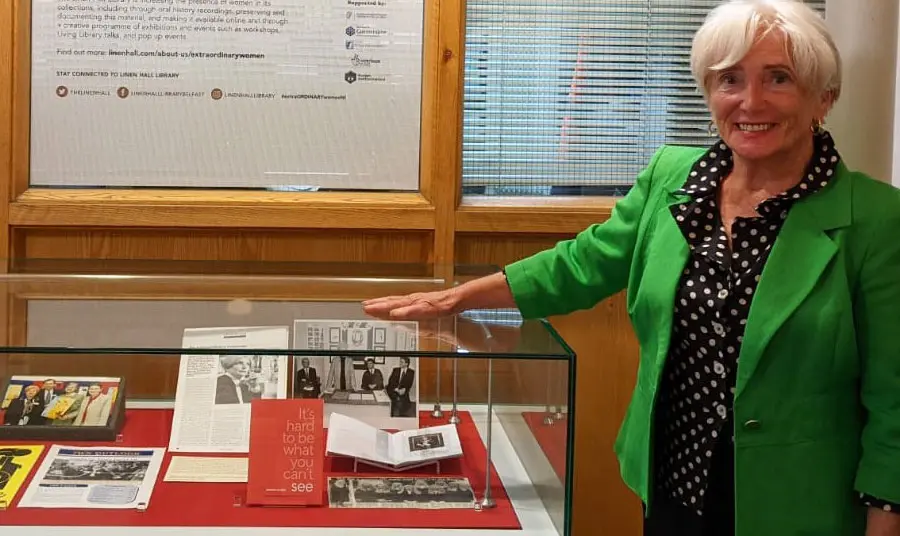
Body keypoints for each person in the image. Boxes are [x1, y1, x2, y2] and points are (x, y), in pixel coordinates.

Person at [363, 1, 900, 535]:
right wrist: (457, 298)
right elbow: (584, 263)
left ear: (822, 98)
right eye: (729, 79)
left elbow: (893, 394)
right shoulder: (672, 179)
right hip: (673, 484)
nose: (749, 101)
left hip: (800, 506)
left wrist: (885, 513)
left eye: (778, 78)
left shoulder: (875, 219)